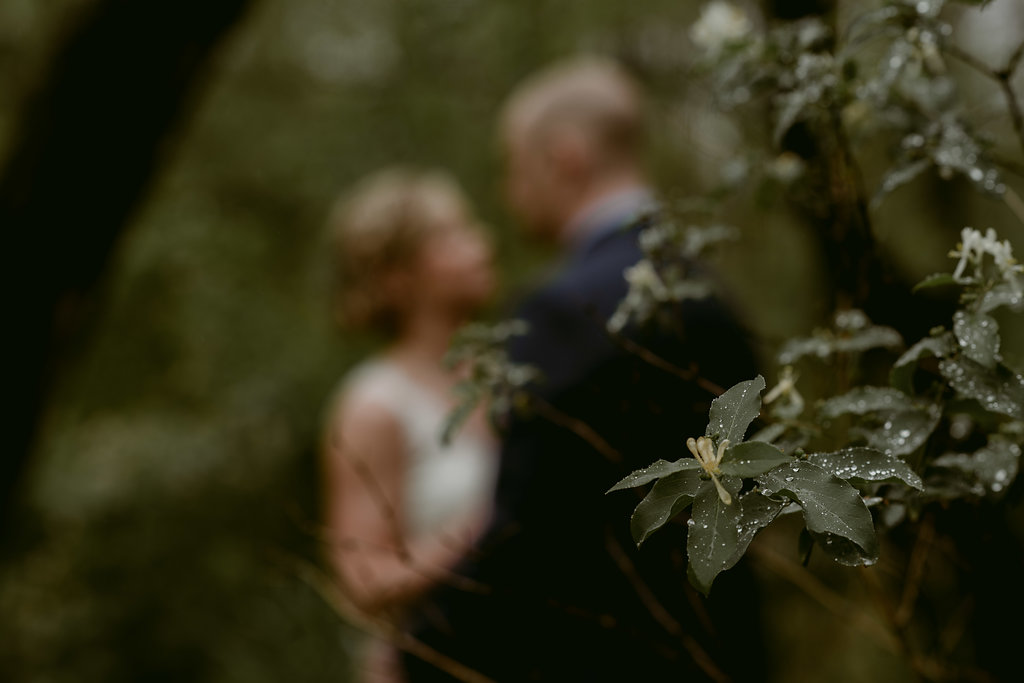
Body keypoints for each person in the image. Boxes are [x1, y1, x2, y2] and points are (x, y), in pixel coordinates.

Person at [401, 57, 767, 682]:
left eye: (514, 166)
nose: (508, 192)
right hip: (725, 650)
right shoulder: (714, 293)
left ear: (565, 157)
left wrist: (419, 650)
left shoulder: (562, 309)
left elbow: (533, 531)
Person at [320, 167, 500, 683]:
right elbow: (362, 580)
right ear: (396, 279)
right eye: (451, 236)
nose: (481, 245)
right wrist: (485, 528)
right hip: (433, 664)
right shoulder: (373, 406)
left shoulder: (511, 373)